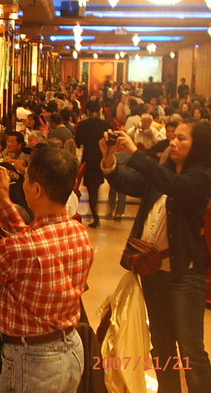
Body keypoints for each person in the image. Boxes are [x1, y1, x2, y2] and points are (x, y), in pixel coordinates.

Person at [0, 147, 93, 393]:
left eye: (25, 179)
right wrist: (4, 201)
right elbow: (31, 239)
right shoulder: (78, 231)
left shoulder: (22, 247)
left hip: (33, 360)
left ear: (37, 190)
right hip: (70, 348)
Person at [100, 122, 211, 393]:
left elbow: (173, 185)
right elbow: (129, 182)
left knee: (191, 349)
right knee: (161, 344)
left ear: (198, 146)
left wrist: (136, 153)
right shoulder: (164, 174)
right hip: (154, 273)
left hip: (185, 275)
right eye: (173, 137)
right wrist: (109, 158)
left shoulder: (201, 178)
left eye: (181, 139)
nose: (173, 142)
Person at [75, 99, 110, 228]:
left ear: (88, 111)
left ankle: (95, 216)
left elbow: (78, 142)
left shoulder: (83, 124)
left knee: (91, 188)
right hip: (102, 158)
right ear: (100, 110)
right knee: (97, 187)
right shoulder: (105, 124)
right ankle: (96, 214)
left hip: (88, 158)